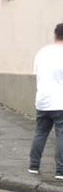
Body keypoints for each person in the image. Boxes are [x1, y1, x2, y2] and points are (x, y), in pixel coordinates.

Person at [28, 23, 63, 180]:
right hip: (60, 101)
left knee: (40, 133)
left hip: (42, 100)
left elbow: (37, 74)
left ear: (55, 34)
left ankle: (33, 166)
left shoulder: (42, 52)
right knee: (61, 135)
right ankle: (60, 170)